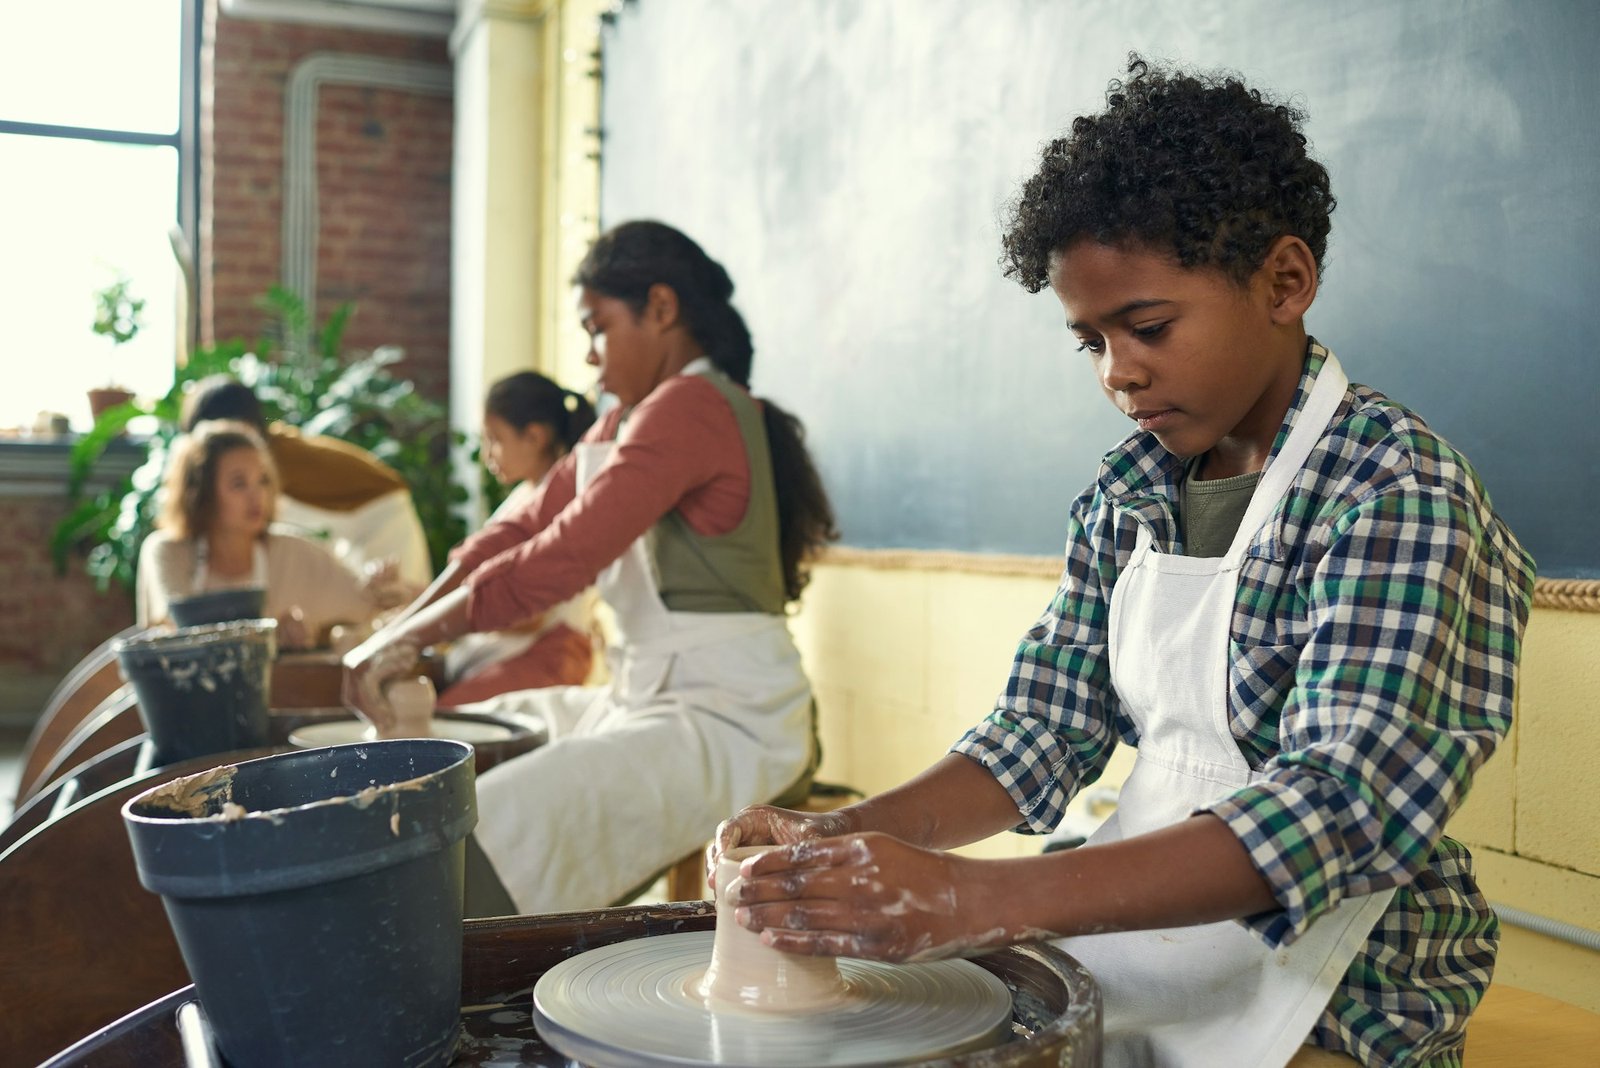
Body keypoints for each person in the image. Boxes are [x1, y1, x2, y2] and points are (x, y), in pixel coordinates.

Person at [711, 57, 1535, 1068]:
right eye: (1088, 341)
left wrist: (979, 897)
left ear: (1284, 282)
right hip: (1136, 933)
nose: (1118, 373)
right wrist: (837, 840)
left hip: (1340, 990)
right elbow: (1042, 730)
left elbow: (1335, 809)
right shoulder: (1128, 493)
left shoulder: (1394, 490)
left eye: (1146, 327)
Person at [343, 220, 839, 914]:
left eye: (598, 327)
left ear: (661, 309)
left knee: (499, 816)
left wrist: (411, 641)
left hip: (736, 723)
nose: (589, 355)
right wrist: (397, 629)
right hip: (645, 698)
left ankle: (470, 986)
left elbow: (560, 556)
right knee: (480, 726)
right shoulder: (620, 425)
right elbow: (511, 532)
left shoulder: (694, 406)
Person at [137, 420, 410, 648]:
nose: (257, 496)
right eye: (239, 483)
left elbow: (374, 606)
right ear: (201, 493)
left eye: (263, 480)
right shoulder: (168, 552)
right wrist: (269, 636)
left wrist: (389, 588)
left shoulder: (295, 552)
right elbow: (175, 631)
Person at [435, 371, 600, 705]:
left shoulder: (561, 500)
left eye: (494, 439)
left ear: (535, 436)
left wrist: (436, 620)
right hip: (506, 649)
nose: (487, 454)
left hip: (547, 654)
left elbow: (527, 614)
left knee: (436, 731)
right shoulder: (525, 496)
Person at [180, 375, 432, 589]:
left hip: (383, 515)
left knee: (388, 611)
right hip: (353, 523)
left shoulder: (259, 458)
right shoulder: (263, 452)